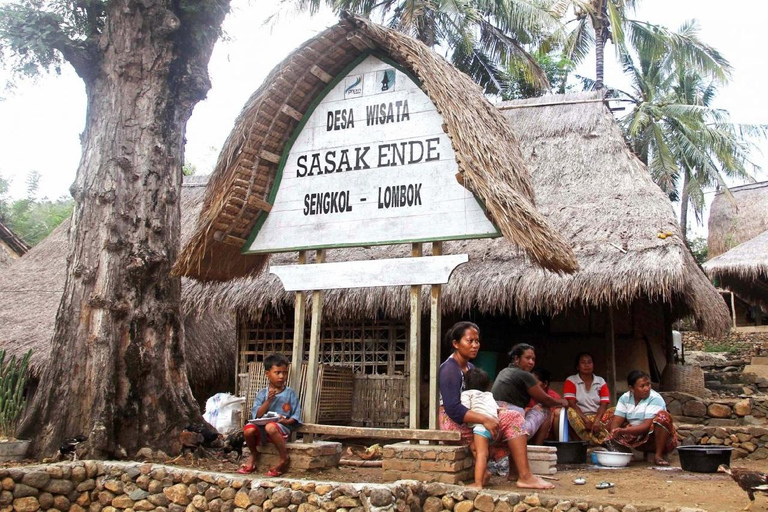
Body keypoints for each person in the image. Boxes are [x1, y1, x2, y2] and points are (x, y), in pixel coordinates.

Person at [438, 322, 554, 490]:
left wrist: (494, 412)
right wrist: (486, 418)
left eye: (477, 341)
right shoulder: (449, 369)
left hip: (470, 417)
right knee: (513, 418)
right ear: (456, 344)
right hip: (453, 423)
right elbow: (453, 409)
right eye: (469, 341)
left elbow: (477, 399)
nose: (475, 345)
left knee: (511, 415)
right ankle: (525, 476)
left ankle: (516, 473)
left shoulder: (469, 367)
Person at [491, 344, 569, 445]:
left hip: (496, 427)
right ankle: (536, 448)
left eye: (533, 359)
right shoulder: (525, 375)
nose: (531, 362)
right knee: (545, 409)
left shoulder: (503, 371)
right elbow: (546, 401)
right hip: (514, 430)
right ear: (516, 359)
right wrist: (562, 402)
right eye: (527, 358)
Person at [238, 353, 302, 476]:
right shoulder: (262, 394)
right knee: (248, 430)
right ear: (268, 374)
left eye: (284, 373)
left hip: (280, 429)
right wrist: (268, 401)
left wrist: (286, 421)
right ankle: (254, 453)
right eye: (277, 373)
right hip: (262, 428)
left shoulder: (290, 394)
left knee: (270, 427)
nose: (281, 376)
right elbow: (257, 415)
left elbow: (296, 416)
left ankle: (284, 458)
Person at [605, 370, 677, 466]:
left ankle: (658, 455)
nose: (647, 388)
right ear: (632, 388)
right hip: (635, 436)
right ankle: (624, 451)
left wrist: (622, 431)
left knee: (663, 417)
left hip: (652, 438)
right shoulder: (624, 398)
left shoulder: (655, 398)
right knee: (609, 415)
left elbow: (646, 426)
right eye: (642, 386)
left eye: (648, 385)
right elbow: (616, 422)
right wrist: (614, 432)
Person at [563, 352, 613, 445]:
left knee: (616, 411)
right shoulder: (571, 380)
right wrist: (586, 420)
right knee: (570, 411)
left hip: (598, 417)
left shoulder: (600, 381)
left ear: (593, 365)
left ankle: (605, 441)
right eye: (583, 362)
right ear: (577, 367)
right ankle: (590, 442)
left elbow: (604, 404)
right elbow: (572, 404)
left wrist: (597, 420)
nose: (587, 365)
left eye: (589, 362)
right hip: (581, 417)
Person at [461, 368, 498, 488]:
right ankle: (485, 474)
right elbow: (497, 408)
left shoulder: (467, 394)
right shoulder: (489, 395)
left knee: (482, 454)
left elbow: (463, 410)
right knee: (474, 448)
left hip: (481, 428)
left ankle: (478, 483)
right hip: (493, 427)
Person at [528, 368, 562, 441]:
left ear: (545, 384)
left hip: (548, 432)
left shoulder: (553, 396)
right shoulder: (527, 395)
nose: (531, 385)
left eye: (534, 383)